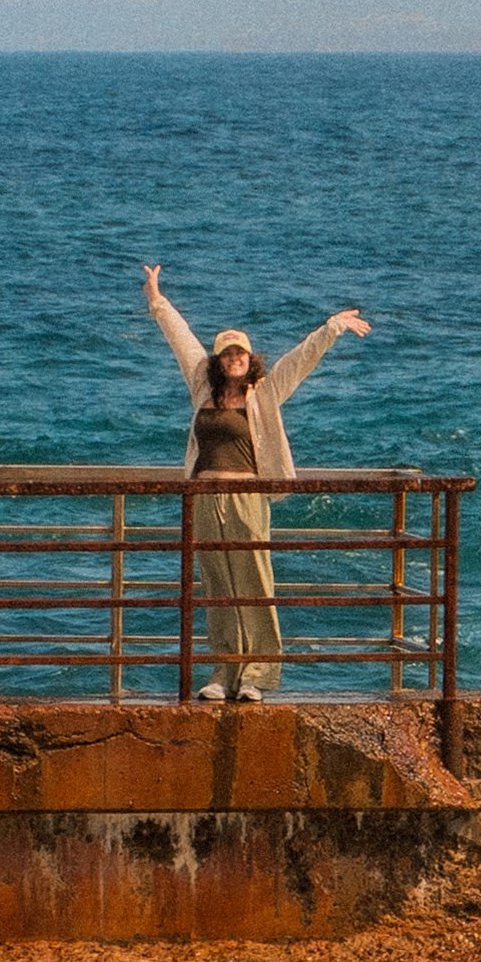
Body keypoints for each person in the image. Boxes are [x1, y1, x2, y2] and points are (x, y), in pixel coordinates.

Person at [145, 264, 369, 703]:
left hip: (246, 495)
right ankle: (224, 671)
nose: (235, 359)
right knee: (217, 584)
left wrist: (331, 328)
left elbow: (297, 362)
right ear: (217, 360)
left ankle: (257, 674)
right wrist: (156, 299)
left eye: (241, 353)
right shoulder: (201, 387)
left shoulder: (264, 393)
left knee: (254, 583)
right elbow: (181, 338)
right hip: (204, 496)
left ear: (249, 359)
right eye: (227, 354)